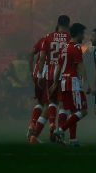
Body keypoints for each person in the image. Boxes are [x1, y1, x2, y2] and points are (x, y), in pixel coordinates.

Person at [27, 15, 70, 143]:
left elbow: (42, 57)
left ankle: (36, 134)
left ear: (57, 23)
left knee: (48, 103)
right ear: (68, 24)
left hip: (50, 74)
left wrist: (39, 74)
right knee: (63, 105)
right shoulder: (69, 38)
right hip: (64, 73)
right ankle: (58, 135)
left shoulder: (48, 37)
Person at [52, 24, 88, 146]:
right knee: (82, 111)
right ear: (78, 34)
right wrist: (88, 83)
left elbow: (59, 67)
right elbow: (80, 66)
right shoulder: (76, 48)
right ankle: (61, 130)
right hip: (73, 82)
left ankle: (73, 140)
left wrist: (55, 82)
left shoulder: (64, 48)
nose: (83, 36)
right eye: (82, 33)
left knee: (71, 111)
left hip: (63, 81)